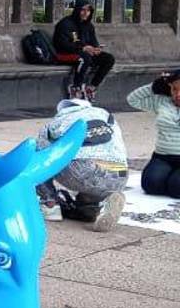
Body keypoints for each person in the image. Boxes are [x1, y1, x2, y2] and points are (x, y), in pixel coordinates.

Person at [35, 98, 127, 231]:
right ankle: (91, 208)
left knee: (36, 155)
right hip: (120, 174)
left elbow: (44, 155)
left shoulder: (56, 123)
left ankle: (50, 205)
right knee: (89, 198)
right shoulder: (106, 115)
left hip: (85, 170)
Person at [127, 70, 180, 198]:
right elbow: (132, 99)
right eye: (174, 89)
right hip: (163, 157)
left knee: (177, 189)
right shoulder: (161, 102)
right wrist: (154, 86)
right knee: (151, 185)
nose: (178, 94)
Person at [53, 1, 115, 101]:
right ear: (77, 10)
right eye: (83, 10)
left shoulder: (88, 26)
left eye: (88, 10)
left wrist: (96, 49)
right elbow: (62, 44)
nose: (86, 13)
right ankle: (76, 87)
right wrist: (83, 48)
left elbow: (93, 42)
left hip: (84, 52)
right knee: (84, 58)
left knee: (108, 59)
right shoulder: (65, 24)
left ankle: (91, 87)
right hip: (65, 53)